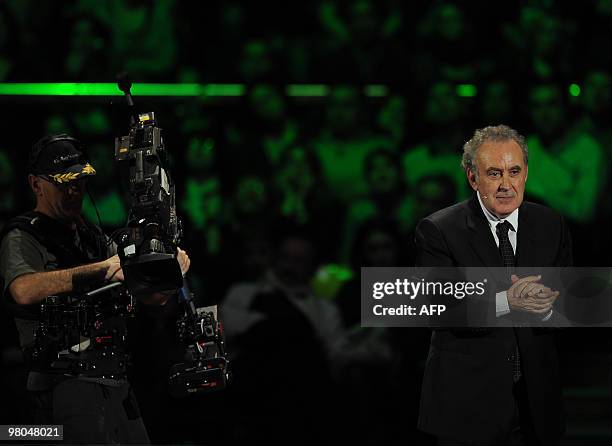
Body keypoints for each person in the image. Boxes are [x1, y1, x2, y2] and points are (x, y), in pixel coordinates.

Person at [0, 134, 190, 444]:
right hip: (65, 382)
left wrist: (170, 272)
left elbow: (148, 294)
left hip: (115, 381)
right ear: (36, 185)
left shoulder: (91, 235)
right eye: (65, 183)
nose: (75, 190)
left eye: (80, 181)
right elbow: (22, 290)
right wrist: (101, 269)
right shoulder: (23, 235)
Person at [415, 125, 572, 446]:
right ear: (473, 178)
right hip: (467, 406)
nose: (506, 185)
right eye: (494, 173)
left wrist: (547, 307)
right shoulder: (440, 230)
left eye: (514, 171)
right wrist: (506, 302)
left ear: (526, 173)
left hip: (536, 406)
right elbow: (438, 310)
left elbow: (569, 304)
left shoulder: (550, 224)